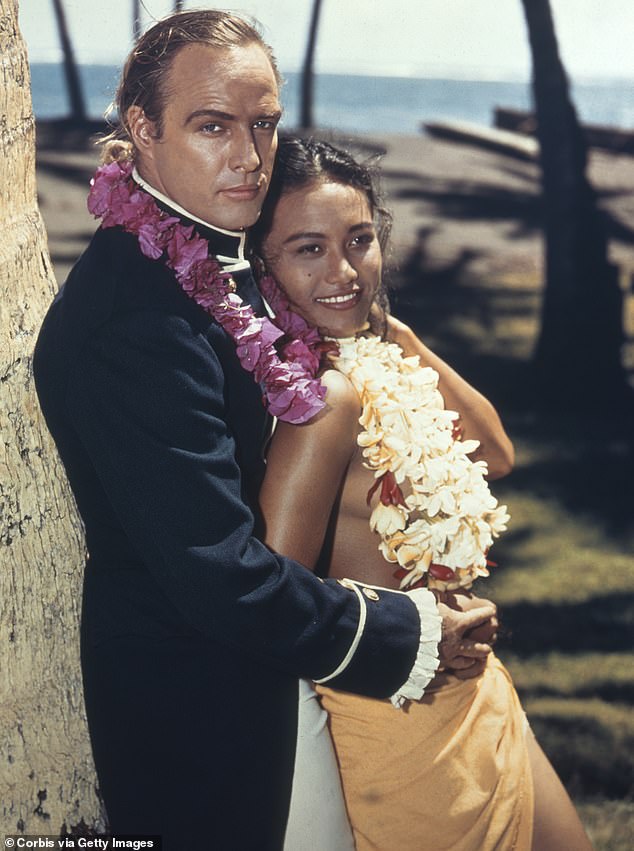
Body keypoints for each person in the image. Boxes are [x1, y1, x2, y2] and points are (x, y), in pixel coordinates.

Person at [33, 11, 498, 850]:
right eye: (213, 126)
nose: (250, 157)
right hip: (209, 715)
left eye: (264, 123)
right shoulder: (133, 319)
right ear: (142, 129)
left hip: (277, 668)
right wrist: (413, 630)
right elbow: (223, 578)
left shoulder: (209, 262)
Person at [253, 136, 594, 851]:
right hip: (401, 723)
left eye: (360, 241)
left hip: (479, 690)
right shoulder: (322, 402)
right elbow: (269, 598)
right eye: (307, 249)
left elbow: (496, 453)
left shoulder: (379, 359)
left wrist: (398, 334)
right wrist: (418, 625)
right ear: (262, 266)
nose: (344, 271)